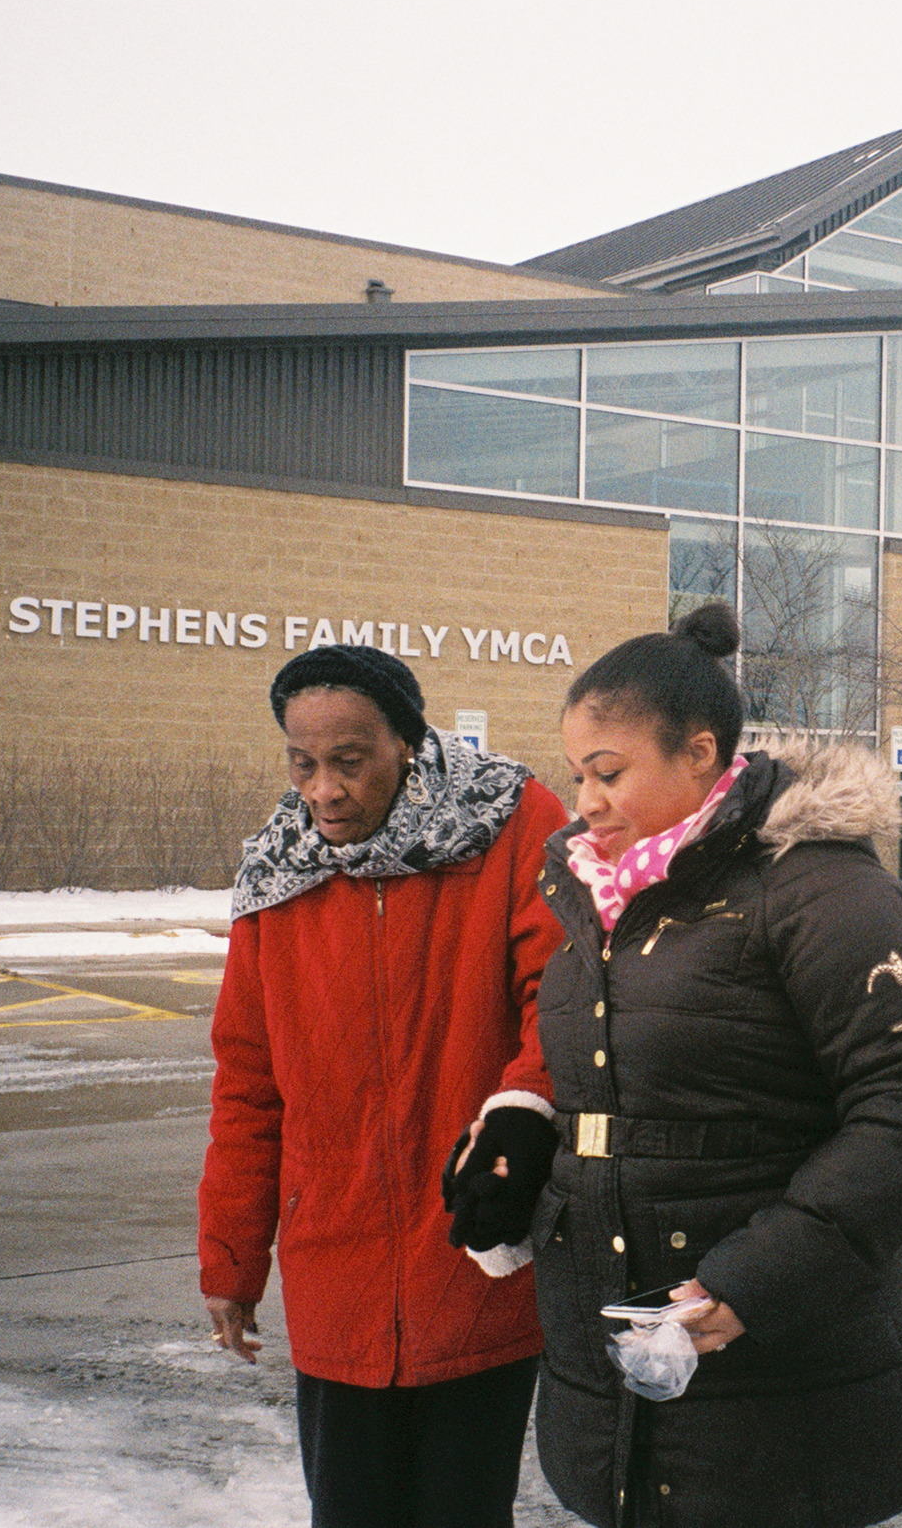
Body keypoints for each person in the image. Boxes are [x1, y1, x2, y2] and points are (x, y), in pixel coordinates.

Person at [487, 602, 902, 1528]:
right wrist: (518, 1147)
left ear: (699, 754)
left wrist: (757, 1281)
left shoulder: (819, 887)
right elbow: (604, 1083)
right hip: (617, 1359)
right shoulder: (598, 893)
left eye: (609, 772)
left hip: (777, 1372)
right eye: (578, 772)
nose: (583, 800)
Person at [197, 645, 569, 1528]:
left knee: (462, 1511)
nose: (323, 789)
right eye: (302, 763)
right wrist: (232, 1254)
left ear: (406, 742)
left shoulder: (512, 824)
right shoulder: (277, 874)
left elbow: (560, 1002)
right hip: (336, 1268)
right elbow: (248, 1082)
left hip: (474, 1254)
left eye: (348, 761)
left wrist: (519, 1117)